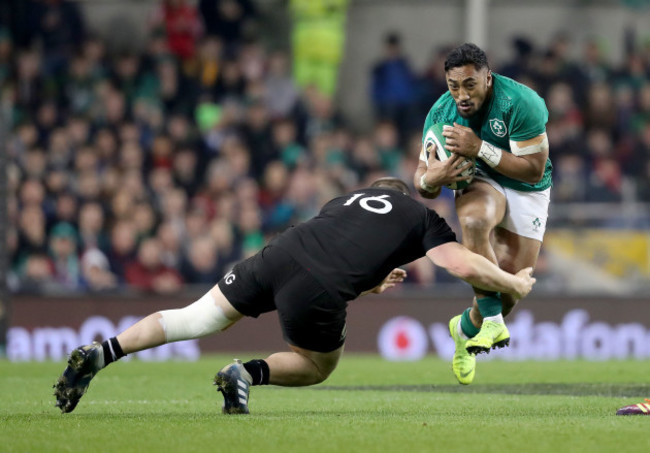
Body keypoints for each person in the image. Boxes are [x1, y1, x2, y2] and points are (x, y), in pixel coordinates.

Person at [53, 177, 536, 414]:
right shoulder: (420, 217)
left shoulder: (342, 201)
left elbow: (342, 251)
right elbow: (457, 262)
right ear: (406, 195)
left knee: (194, 318)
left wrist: (369, 281)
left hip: (277, 254)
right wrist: (512, 283)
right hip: (317, 284)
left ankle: (104, 352)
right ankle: (242, 373)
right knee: (317, 364)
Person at [414, 43, 551, 385]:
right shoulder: (441, 114)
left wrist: (480, 148)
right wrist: (435, 178)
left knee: (509, 290)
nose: (461, 94)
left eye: (469, 85)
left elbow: (533, 171)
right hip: (481, 179)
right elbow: (422, 181)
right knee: (474, 221)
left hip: (527, 188)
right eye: (453, 86)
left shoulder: (521, 102)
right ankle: (490, 321)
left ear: (487, 78)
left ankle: (465, 329)